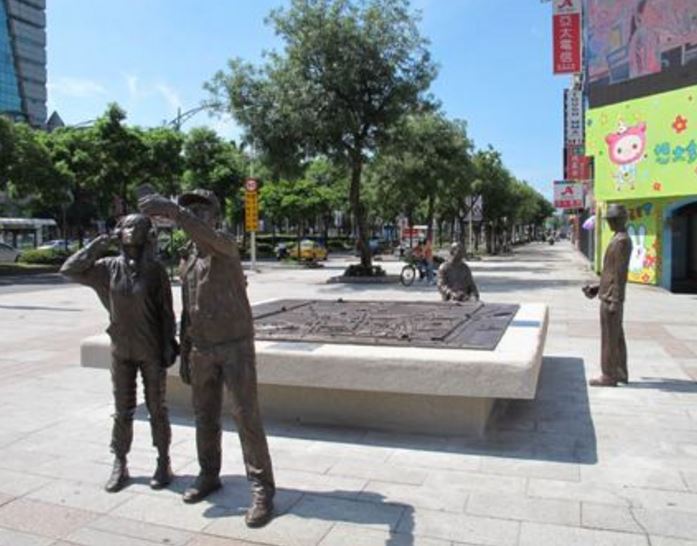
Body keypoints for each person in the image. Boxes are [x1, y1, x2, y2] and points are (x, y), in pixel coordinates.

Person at [139, 189, 275, 528]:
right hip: (201, 347)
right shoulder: (187, 256)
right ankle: (209, 474)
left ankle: (262, 488)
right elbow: (189, 307)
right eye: (190, 210)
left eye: (202, 210)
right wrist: (186, 349)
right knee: (204, 415)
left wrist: (175, 212)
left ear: (215, 216)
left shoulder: (224, 244)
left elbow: (208, 237)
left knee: (246, 416)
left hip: (234, 345)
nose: (195, 214)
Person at [60, 214, 178, 493]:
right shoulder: (107, 268)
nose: (130, 230)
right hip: (121, 349)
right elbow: (69, 270)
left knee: (157, 408)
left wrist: (168, 345)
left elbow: (166, 312)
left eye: (137, 226)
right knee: (122, 410)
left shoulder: (155, 271)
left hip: (150, 349)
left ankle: (163, 462)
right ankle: (120, 462)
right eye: (126, 225)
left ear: (147, 234)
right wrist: (99, 243)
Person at [582, 204, 632, 387]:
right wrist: (598, 287)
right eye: (609, 220)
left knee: (609, 338)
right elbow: (610, 271)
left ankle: (608, 375)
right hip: (608, 294)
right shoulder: (618, 238)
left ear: (620, 220)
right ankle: (620, 371)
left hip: (612, 298)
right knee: (616, 335)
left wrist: (615, 300)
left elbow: (619, 274)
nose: (609, 223)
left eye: (612, 220)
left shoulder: (621, 241)